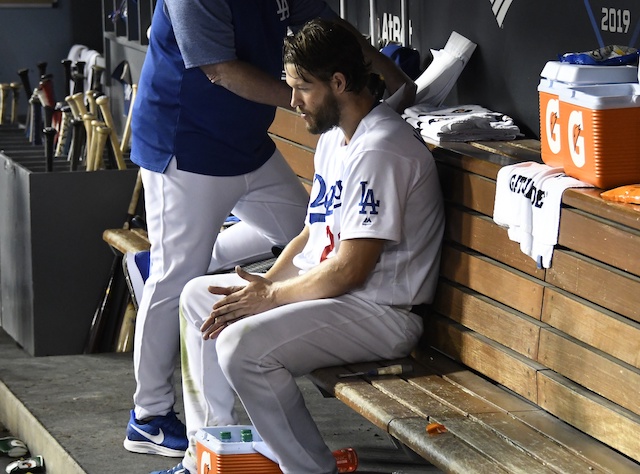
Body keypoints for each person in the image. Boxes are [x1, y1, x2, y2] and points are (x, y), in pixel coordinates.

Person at [124, 0, 416, 460]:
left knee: (302, 227)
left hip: (247, 145)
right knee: (181, 279)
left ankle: (189, 256)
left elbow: (332, 32)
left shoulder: (375, 144)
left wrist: (392, 82)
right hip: (187, 146)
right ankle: (151, 416)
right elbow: (221, 69)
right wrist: (320, 101)